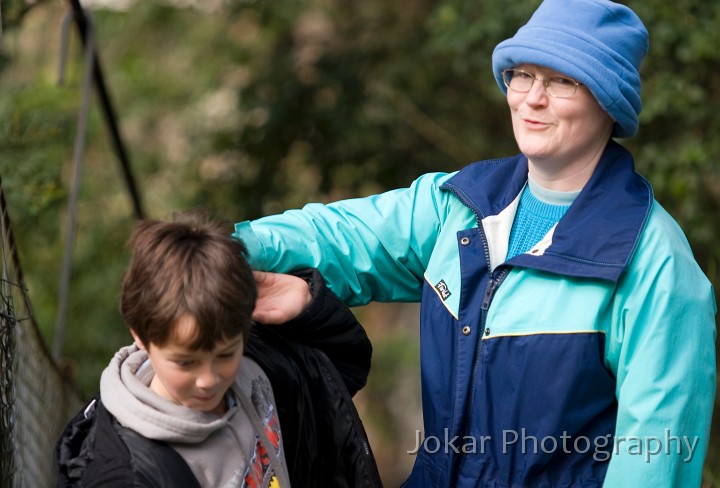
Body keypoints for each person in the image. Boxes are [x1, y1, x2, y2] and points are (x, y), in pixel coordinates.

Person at [232, 1, 717, 487]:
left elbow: (655, 465)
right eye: (522, 74)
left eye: (563, 80)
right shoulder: (460, 205)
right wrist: (216, 252)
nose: (532, 98)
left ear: (610, 101)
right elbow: (339, 237)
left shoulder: (655, 266)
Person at [54, 212, 382, 487]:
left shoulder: (255, 366)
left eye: (225, 354)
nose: (209, 380)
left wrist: (308, 307)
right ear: (140, 335)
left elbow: (336, 379)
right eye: (185, 362)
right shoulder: (129, 475)